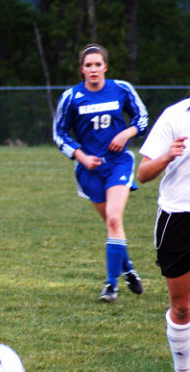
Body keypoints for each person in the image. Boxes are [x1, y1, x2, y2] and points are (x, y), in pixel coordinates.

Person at [53, 43, 148, 302]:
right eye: (88, 65)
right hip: (89, 170)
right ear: (82, 70)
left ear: (105, 66)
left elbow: (142, 118)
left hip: (118, 163)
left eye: (97, 64)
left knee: (115, 219)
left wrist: (126, 132)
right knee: (111, 224)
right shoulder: (71, 97)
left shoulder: (121, 89)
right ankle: (128, 269)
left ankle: (110, 286)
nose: (93, 69)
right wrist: (81, 156)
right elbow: (59, 133)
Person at [136, 98, 190, 372]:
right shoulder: (175, 115)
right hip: (178, 220)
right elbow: (142, 174)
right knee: (182, 307)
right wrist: (167, 156)